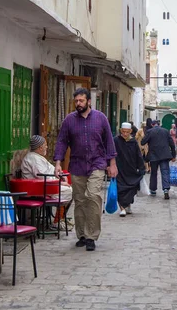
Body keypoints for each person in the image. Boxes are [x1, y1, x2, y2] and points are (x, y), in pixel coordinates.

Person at [54, 87, 117, 252]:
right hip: (77, 165)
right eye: (76, 101)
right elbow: (61, 142)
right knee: (80, 200)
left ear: (89, 101)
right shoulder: (69, 120)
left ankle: (91, 236)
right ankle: (81, 234)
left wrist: (112, 164)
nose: (78, 103)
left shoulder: (101, 118)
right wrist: (58, 163)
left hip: (97, 164)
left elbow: (109, 142)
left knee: (93, 196)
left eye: (81, 100)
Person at [21, 135, 73, 202]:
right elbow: (43, 177)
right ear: (40, 148)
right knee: (69, 191)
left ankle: (59, 212)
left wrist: (61, 175)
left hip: (44, 186)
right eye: (45, 145)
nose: (47, 147)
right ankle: (60, 212)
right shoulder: (33, 158)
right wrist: (60, 183)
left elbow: (51, 170)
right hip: (38, 188)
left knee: (69, 189)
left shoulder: (37, 156)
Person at [114, 122, 145, 217]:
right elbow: (111, 153)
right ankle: (122, 208)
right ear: (121, 131)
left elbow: (138, 155)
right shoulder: (116, 140)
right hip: (119, 168)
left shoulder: (133, 142)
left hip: (131, 168)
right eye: (123, 132)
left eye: (127, 132)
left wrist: (141, 167)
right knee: (120, 189)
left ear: (131, 131)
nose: (125, 134)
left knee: (131, 188)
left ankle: (128, 205)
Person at [141, 119, 176, 200]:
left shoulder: (150, 131)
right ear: (159, 124)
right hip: (164, 155)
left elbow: (143, 142)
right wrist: (173, 155)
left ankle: (153, 190)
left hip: (153, 156)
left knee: (153, 173)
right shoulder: (165, 131)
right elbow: (172, 144)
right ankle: (166, 189)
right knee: (165, 172)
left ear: (152, 124)